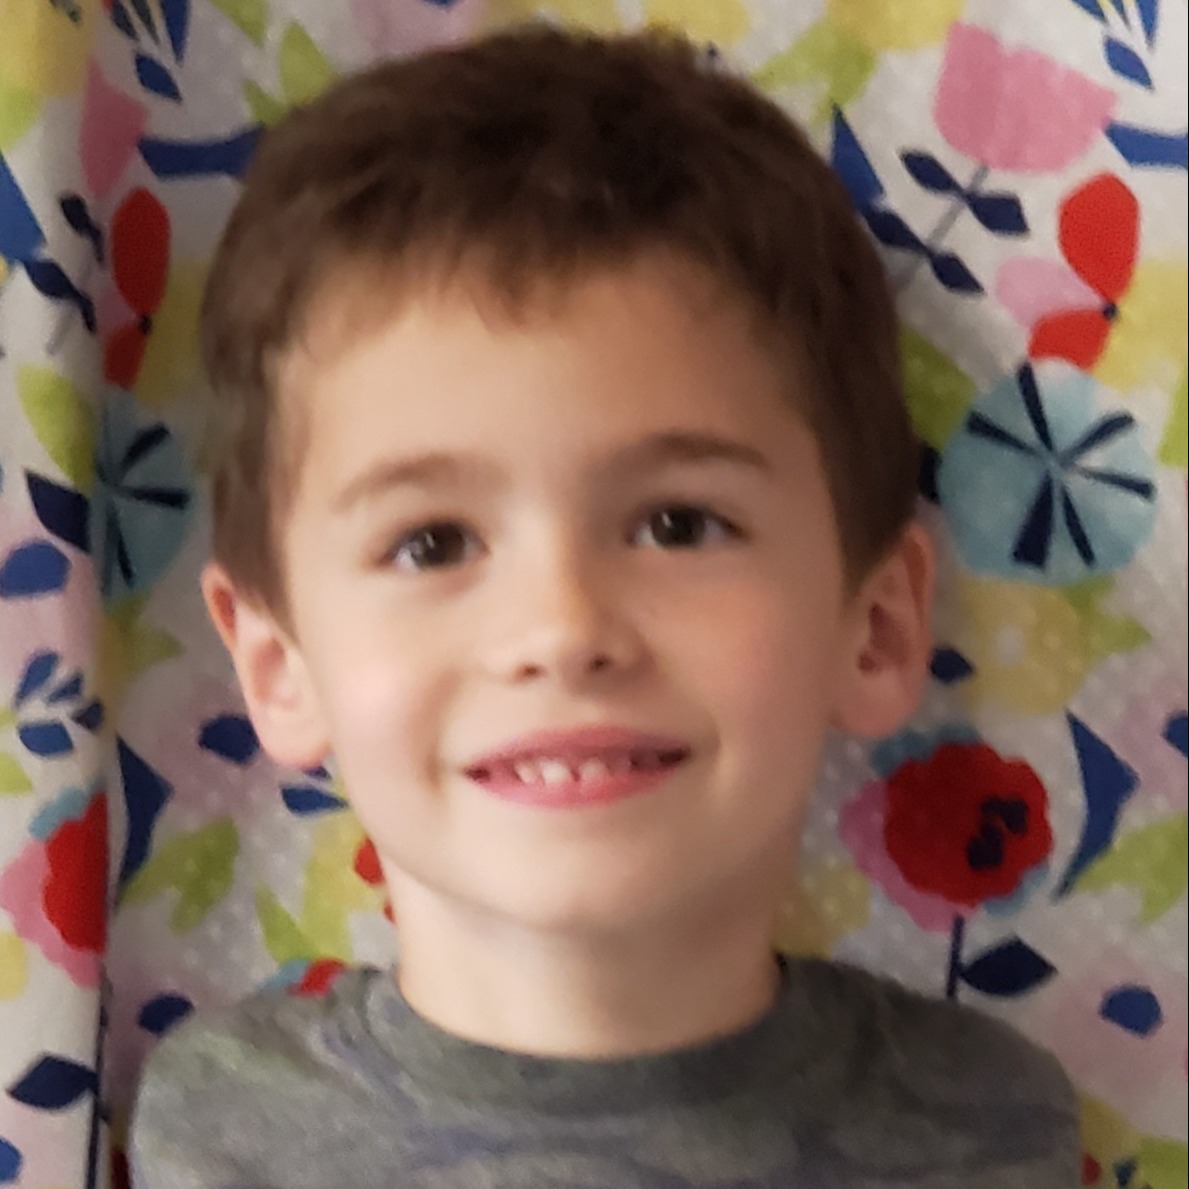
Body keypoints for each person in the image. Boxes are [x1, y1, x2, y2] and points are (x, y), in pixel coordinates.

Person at [130, 24, 1080, 1188]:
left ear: (874, 626)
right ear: (280, 667)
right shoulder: (218, 1134)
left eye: (679, 524)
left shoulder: (987, 1127)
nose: (562, 629)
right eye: (431, 542)